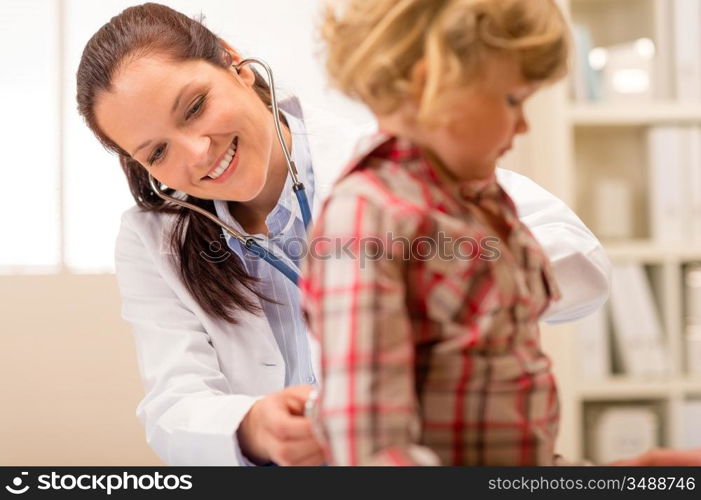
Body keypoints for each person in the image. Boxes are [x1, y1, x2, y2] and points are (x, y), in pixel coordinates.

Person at [76, 2, 611, 466]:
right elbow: (174, 400)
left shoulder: (394, 164)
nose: (197, 152)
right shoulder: (153, 239)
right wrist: (253, 426)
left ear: (233, 63)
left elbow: (583, 265)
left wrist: (428, 271)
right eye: (157, 153)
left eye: (194, 107)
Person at [301, 0, 701, 466]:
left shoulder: (479, 199)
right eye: (513, 99)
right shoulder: (365, 218)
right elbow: (373, 451)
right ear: (434, 83)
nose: (524, 123)